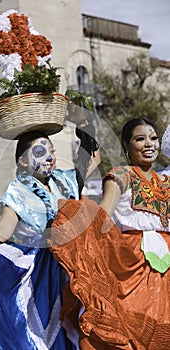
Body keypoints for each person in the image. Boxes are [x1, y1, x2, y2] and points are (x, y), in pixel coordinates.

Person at [0, 111, 100, 349]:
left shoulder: (66, 180)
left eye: (51, 152)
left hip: (76, 267)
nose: (49, 158)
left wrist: (83, 124)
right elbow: (3, 229)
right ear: (22, 161)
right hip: (43, 275)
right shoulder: (17, 192)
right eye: (39, 152)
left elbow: (93, 158)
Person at [49, 118, 169, 349]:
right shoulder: (120, 176)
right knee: (130, 330)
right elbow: (102, 220)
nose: (148, 144)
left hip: (168, 267)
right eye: (140, 139)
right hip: (133, 264)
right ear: (126, 145)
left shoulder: (166, 181)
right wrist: (76, 216)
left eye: (153, 138)